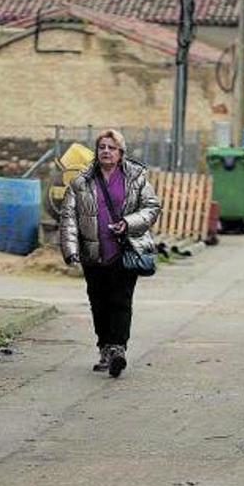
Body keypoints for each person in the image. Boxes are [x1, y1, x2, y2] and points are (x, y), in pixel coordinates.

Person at [59, 129, 161, 377]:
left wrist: (128, 222)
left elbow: (151, 207)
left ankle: (118, 350)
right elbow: (68, 217)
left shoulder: (136, 177)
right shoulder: (81, 181)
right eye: (102, 147)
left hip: (124, 249)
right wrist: (70, 250)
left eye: (111, 147)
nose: (106, 151)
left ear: (121, 152)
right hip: (92, 252)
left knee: (121, 300)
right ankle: (104, 347)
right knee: (98, 302)